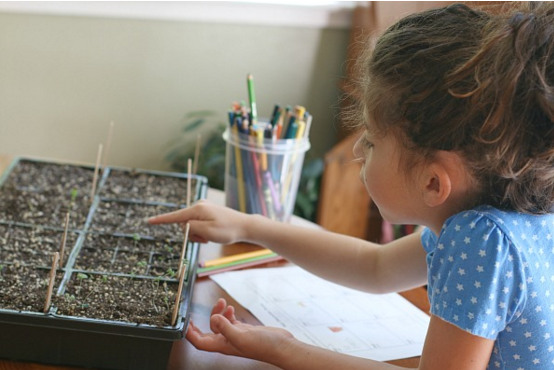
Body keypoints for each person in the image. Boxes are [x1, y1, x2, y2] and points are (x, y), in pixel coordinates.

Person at [148, 2, 554, 369]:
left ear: (433, 182)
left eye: (373, 140)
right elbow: (374, 267)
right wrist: (250, 226)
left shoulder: (481, 240)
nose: (358, 148)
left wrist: (283, 350)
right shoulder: (510, 216)